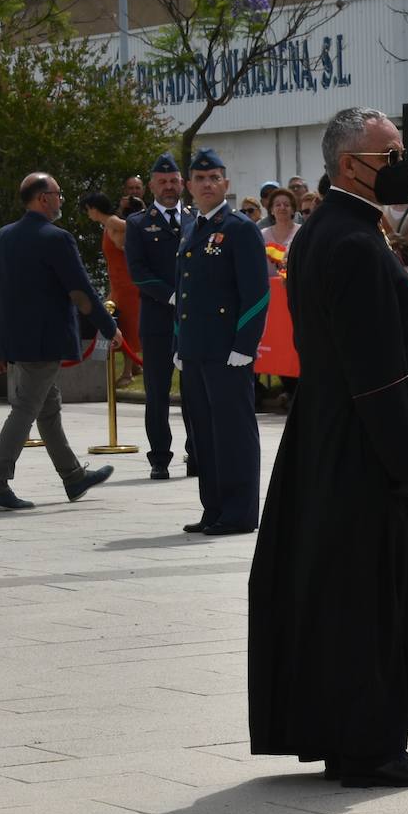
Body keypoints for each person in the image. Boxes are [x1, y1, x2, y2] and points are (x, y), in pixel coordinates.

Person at [249, 107, 408, 787]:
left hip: (331, 433)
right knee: (368, 597)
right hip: (362, 443)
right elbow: (376, 368)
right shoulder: (351, 243)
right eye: (391, 155)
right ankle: (370, 745)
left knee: (347, 592)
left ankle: (351, 734)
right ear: (351, 164)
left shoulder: (330, 232)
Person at [0, 173, 120, 510]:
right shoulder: (56, 239)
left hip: (16, 340)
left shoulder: (2, 237)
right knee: (27, 408)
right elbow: (81, 290)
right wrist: (108, 326)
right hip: (44, 340)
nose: (61, 200)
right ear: (43, 198)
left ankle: (73, 476)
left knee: (48, 408)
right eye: (58, 194)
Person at [175, 147, 270, 536]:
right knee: (203, 434)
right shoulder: (192, 227)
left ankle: (239, 512)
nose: (207, 184)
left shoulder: (240, 229)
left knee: (232, 433)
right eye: (200, 179)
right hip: (197, 350)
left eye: (214, 178)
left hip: (227, 351)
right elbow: (185, 292)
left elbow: (257, 294)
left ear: (226, 185)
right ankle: (213, 507)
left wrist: (244, 347)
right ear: (189, 186)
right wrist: (180, 344)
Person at [125, 152, 190, 480]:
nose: (168, 187)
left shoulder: (196, 220)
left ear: (182, 184)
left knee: (195, 390)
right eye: (162, 182)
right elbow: (137, 271)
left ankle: (198, 452)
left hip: (194, 322)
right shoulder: (138, 224)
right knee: (158, 392)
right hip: (157, 321)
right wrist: (171, 294)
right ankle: (160, 457)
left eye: (173, 181)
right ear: (151, 185)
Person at [82, 192, 139, 390]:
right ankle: (131, 369)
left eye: (88, 210)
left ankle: (128, 372)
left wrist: (122, 244)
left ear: (94, 209)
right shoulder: (108, 225)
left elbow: (135, 228)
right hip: (119, 283)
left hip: (127, 284)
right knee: (122, 323)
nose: (88, 214)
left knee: (127, 326)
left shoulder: (114, 222)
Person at [261, 187, 301, 266]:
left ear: (293, 210)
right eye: (278, 205)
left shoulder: (302, 232)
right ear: (271, 210)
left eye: (286, 205)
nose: (282, 208)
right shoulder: (262, 235)